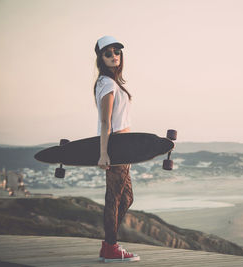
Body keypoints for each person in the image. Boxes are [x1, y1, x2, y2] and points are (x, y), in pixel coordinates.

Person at [94, 35, 140, 262]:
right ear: (100, 58)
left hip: (124, 148)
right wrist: (104, 153)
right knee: (114, 198)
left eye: (117, 52)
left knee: (126, 198)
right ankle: (110, 247)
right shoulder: (106, 84)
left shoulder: (114, 83)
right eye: (108, 53)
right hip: (116, 147)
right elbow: (105, 121)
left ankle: (108, 244)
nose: (114, 56)